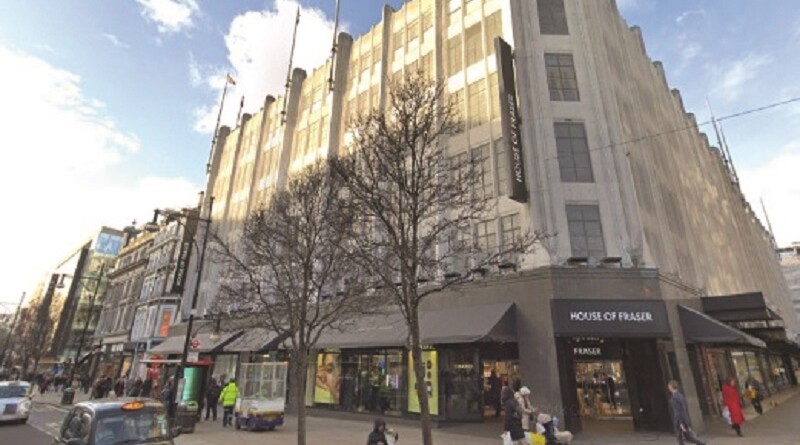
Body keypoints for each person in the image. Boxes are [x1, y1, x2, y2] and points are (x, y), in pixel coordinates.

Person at [667, 380, 706, 445]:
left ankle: (700, 443)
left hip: (679, 419)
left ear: (671, 386)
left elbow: (678, 410)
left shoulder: (675, 397)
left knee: (680, 436)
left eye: (669, 386)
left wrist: (680, 423)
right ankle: (700, 443)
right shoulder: (680, 395)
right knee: (687, 436)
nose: (668, 387)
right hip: (684, 418)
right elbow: (682, 409)